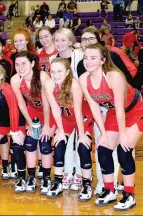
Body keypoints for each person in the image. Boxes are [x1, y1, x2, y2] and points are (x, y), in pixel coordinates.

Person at [79, 43, 143, 211]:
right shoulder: (84, 79)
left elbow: (120, 108)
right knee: (103, 148)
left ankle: (129, 195)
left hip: (136, 109)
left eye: (93, 58)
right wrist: (103, 133)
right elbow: (94, 107)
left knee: (123, 149)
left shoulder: (114, 77)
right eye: (85, 58)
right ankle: (109, 190)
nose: (88, 61)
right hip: (114, 112)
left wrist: (123, 135)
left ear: (103, 60)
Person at [44, 57, 94, 200]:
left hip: (82, 117)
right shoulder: (48, 84)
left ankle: (86, 184)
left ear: (67, 72)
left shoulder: (74, 85)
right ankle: (58, 181)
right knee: (59, 143)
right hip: (66, 117)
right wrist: (60, 130)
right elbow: (55, 109)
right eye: (52, 71)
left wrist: (82, 134)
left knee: (83, 147)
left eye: (59, 71)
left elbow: (78, 111)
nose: (56, 74)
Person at [10, 51, 51, 193]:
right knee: (31, 142)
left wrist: (46, 126)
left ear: (32, 64)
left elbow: (47, 105)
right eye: (17, 64)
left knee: (45, 142)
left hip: (49, 113)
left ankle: (46, 177)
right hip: (32, 113)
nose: (20, 67)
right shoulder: (15, 80)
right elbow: (22, 105)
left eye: (23, 63)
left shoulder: (43, 77)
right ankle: (31, 176)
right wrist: (29, 124)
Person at [50, 28, 84, 191]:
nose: (59, 43)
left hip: (83, 104)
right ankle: (67, 174)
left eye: (63, 40)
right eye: (57, 40)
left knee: (80, 143)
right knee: (64, 141)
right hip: (65, 108)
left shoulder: (81, 55)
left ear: (71, 41)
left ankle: (80, 174)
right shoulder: (53, 59)